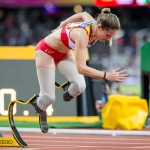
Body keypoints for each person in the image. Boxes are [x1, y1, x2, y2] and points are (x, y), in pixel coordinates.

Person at [33, 8, 128, 113]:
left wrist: (63, 23)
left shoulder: (94, 24)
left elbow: (83, 14)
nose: (108, 39)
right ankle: (37, 102)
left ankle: (63, 92)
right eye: (108, 35)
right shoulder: (82, 35)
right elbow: (81, 68)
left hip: (63, 54)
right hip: (45, 52)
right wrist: (107, 75)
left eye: (111, 36)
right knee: (49, 98)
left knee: (79, 86)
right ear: (99, 27)